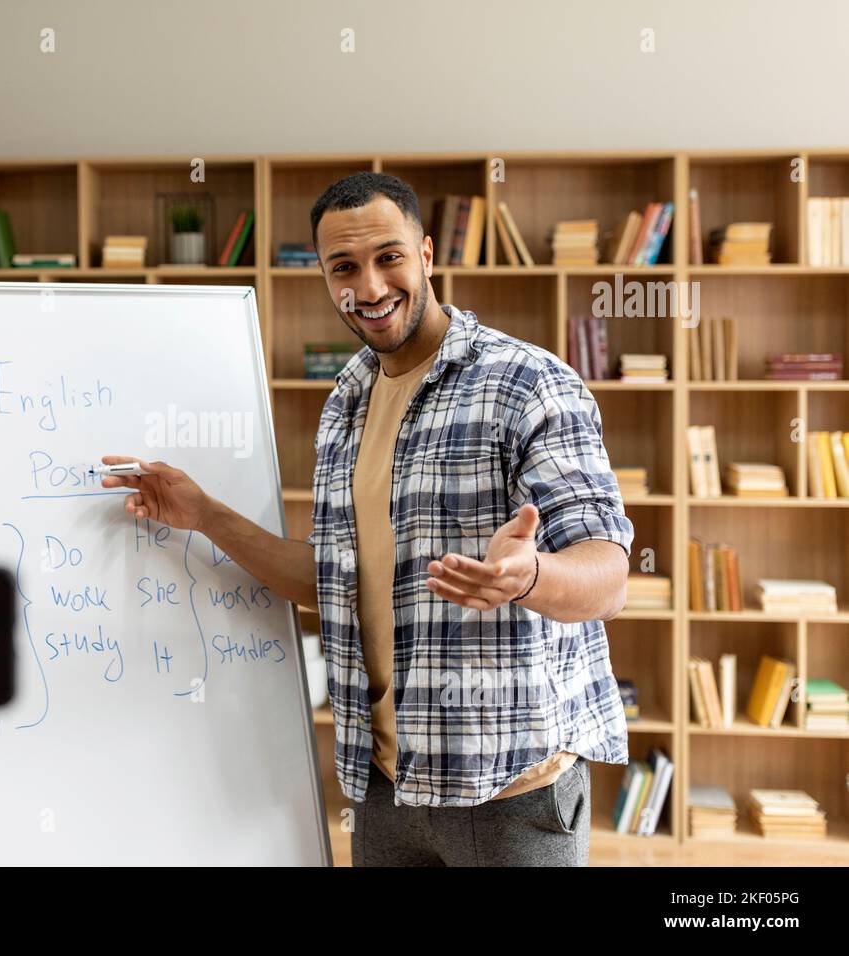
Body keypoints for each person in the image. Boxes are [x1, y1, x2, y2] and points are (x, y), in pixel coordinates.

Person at [102, 171, 633, 866]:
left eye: (389, 257)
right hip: (385, 787)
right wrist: (204, 515)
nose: (372, 287)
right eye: (344, 268)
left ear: (427, 254)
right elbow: (334, 582)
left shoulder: (528, 383)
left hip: (511, 793)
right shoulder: (347, 404)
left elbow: (610, 577)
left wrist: (527, 576)